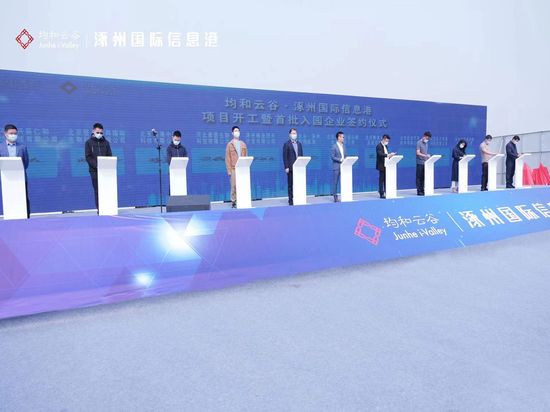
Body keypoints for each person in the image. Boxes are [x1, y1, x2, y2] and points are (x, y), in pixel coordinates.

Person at [0, 124, 30, 218]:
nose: (13, 135)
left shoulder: (22, 147)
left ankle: (26, 218)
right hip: (6, 179)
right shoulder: (0, 147)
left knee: (24, 198)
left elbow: (26, 162)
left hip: (21, 178)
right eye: (11, 133)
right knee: (9, 199)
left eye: (15, 133)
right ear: (5, 134)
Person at [85, 122, 112, 211]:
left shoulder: (106, 143)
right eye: (97, 132)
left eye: (101, 133)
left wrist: (106, 165)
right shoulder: (88, 143)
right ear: (93, 131)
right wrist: (97, 166)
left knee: (106, 190)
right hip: (94, 171)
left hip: (105, 171)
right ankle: (100, 209)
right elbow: (88, 157)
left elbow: (109, 155)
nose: (99, 134)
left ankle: (108, 207)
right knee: (97, 190)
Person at [225, 126, 248, 208]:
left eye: (238, 130)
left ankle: (241, 200)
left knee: (241, 185)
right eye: (235, 131)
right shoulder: (230, 144)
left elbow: (246, 156)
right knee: (234, 186)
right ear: (232, 133)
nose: (237, 132)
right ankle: (233, 201)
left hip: (242, 168)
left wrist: (246, 167)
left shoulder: (243, 144)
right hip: (233, 168)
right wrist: (229, 171)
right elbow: (227, 158)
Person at [282, 128, 304, 205]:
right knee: (290, 185)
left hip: (299, 168)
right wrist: (286, 167)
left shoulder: (299, 144)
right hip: (290, 168)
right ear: (290, 135)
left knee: (298, 184)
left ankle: (298, 198)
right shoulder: (286, 144)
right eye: (293, 133)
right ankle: (290, 200)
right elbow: (285, 156)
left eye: (295, 133)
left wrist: (302, 164)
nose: (294, 135)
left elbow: (301, 155)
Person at [375, 134, 396, 198]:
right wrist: (387, 155)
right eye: (386, 141)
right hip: (381, 165)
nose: (387, 142)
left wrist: (390, 155)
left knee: (386, 179)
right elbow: (380, 154)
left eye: (388, 141)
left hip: (387, 165)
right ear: (383, 139)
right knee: (381, 180)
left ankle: (387, 192)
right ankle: (381, 193)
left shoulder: (386, 146)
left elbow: (386, 154)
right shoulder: (378, 146)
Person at [330, 131, 346, 202]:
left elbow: (345, 156)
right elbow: (332, 157)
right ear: (338, 137)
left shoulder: (343, 146)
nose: (343, 138)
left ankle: (344, 195)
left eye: (343, 137)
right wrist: (340, 159)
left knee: (344, 181)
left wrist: (346, 159)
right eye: (342, 137)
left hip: (344, 167)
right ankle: (335, 197)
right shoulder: (334, 146)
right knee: (335, 182)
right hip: (336, 167)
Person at [415, 131, 432, 196]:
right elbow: (418, 153)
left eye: (428, 139)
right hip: (419, 162)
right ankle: (419, 191)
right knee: (419, 177)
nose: (427, 140)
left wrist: (427, 155)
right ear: (424, 136)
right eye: (427, 138)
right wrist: (425, 156)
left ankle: (422, 190)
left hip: (425, 162)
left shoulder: (426, 144)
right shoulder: (418, 143)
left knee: (423, 177)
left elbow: (425, 153)